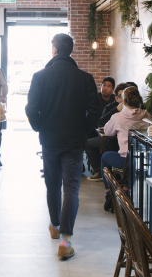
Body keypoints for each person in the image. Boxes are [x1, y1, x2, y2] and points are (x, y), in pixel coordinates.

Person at [25, 33, 102, 260]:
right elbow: (95, 110)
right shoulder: (85, 78)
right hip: (74, 141)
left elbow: (31, 108)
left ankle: (55, 226)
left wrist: (40, 127)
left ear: (54, 50)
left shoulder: (40, 76)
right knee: (71, 188)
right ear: (71, 51)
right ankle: (65, 242)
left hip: (49, 140)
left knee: (52, 185)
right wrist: (84, 129)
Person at [101, 86, 151, 212]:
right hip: (144, 161)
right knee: (132, 164)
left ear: (123, 101)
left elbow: (107, 131)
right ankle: (126, 189)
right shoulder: (146, 116)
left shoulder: (118, 117)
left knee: (105, 157)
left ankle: (109, 193)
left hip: (125, 160)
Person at [85, 77, 117, 180]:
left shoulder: (115, 100)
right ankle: (98, 169)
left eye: (109, 86)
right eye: (104, 85)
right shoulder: (95, 98)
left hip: (109, 131)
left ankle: (101, 170)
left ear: (112, 89)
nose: (105, 88)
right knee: (88, 139)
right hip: (94, 129)